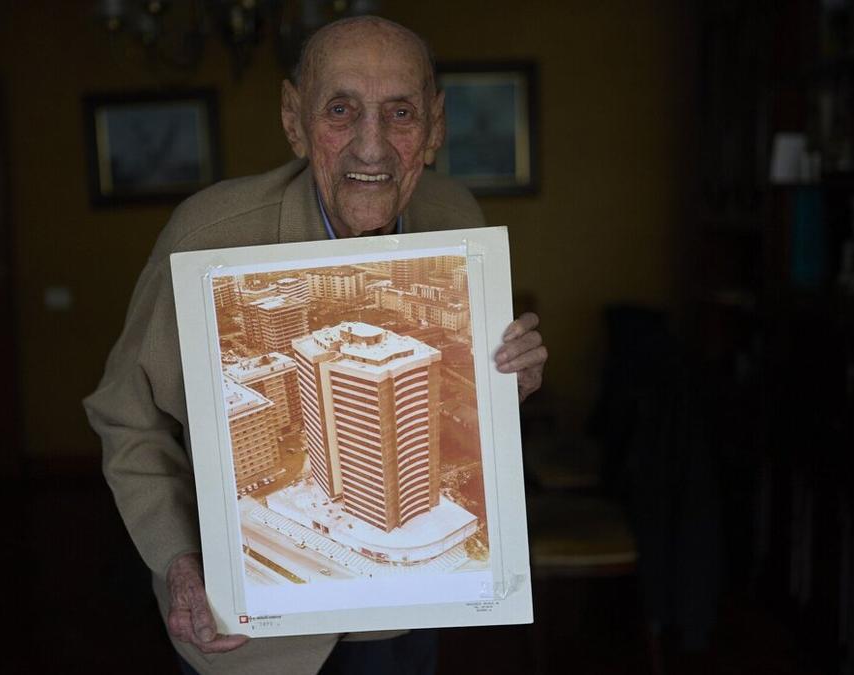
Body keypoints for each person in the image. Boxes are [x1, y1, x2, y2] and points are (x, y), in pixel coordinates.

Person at [84, 16, 547, 675]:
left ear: (436, 126)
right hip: (252, 636)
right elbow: (125, 413)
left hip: (404, 615)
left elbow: (458, 421)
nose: (372, 147)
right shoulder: (208, 234)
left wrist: (508, 383)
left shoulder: (457, 218)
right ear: (294, 120)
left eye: (400, 113)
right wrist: (180, 564)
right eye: (340, 110)